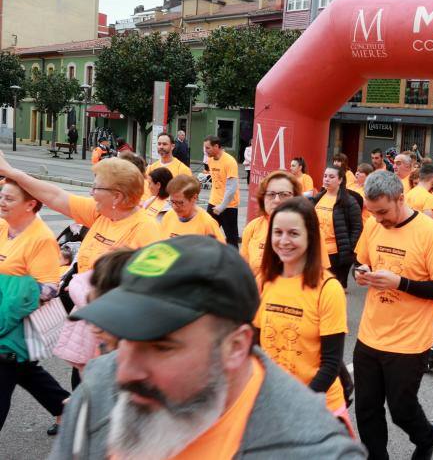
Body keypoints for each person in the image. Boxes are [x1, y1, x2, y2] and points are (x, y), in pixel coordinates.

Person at [53, 236, 365, 459]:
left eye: (161, 346)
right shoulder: (98, 387)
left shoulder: (311, 447)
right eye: (124, 339)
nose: (124, 371)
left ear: (234, 347)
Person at [353, 171, 433, 460]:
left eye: (383, 211)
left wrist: (400, 283)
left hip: (409, 342)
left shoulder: (430, 233)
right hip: (370, 335)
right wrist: (359, 273)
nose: (377, 218)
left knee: (401, 410)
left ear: (401, 198)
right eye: (372, 212)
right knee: (366, 410)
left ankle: (426, 436)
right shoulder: (373, 225)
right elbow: (360, 262)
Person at [257, 197, 352, 428]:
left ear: (310, 236)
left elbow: (330, 364)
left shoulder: (328, 288)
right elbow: (255, 346)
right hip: (273, 403)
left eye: (293, 233)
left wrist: (296, 404)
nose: (283, 241)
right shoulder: (264, 282)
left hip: (318, 407)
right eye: (277, 232)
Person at [0, 154, 160, 274]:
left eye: (96, 188)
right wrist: (11, 172)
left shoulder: (146, 230)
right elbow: (54, 196)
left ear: (117, 196)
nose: (91, 193)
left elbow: (153, 287)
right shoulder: (101, 212)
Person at [0, 179, 71, 434]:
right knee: (27, 372)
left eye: (9, 198)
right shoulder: (3, 227)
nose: (2, 201)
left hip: (13, 330)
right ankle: (65, 408)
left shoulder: (40, 239)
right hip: (6, 326)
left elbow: (49, 288)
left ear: (31, 204)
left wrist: (10, 293)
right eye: (1, 195)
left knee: (11, 369)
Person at [241, 171, 331, 290]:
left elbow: (321, 274)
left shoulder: (311, 229)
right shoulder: (252, 227)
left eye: (284, 194)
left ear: (296, 197)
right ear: (263, 198)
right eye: (271, 194)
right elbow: (244, 272)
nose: (277, 200)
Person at [312, 165, 363, 289]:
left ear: (340, 180)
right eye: (325, 176)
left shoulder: (349, 201)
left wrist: (349, 249)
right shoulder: (318, 198)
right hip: (315, 252)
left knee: (331, 290)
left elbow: (357, 227)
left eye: (331, 177)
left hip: (335, 254)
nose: (326, 179)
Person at [160, 174, 225, 242]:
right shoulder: (169, 216)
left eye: (180, 203)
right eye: (172, 201)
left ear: (194, 198)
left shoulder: (208, 224)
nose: (174, 207)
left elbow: (221, 251)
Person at [204, 135, 240, 247]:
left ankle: (233, 262)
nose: (205, 151)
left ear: (216, 146)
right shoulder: (210, 160)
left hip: (228, 205)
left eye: (208, 148)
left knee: (231, 238)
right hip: (213, 202)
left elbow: (231, 187)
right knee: (207, 234)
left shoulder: (230, 161)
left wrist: (222, 206)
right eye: (204, 148)